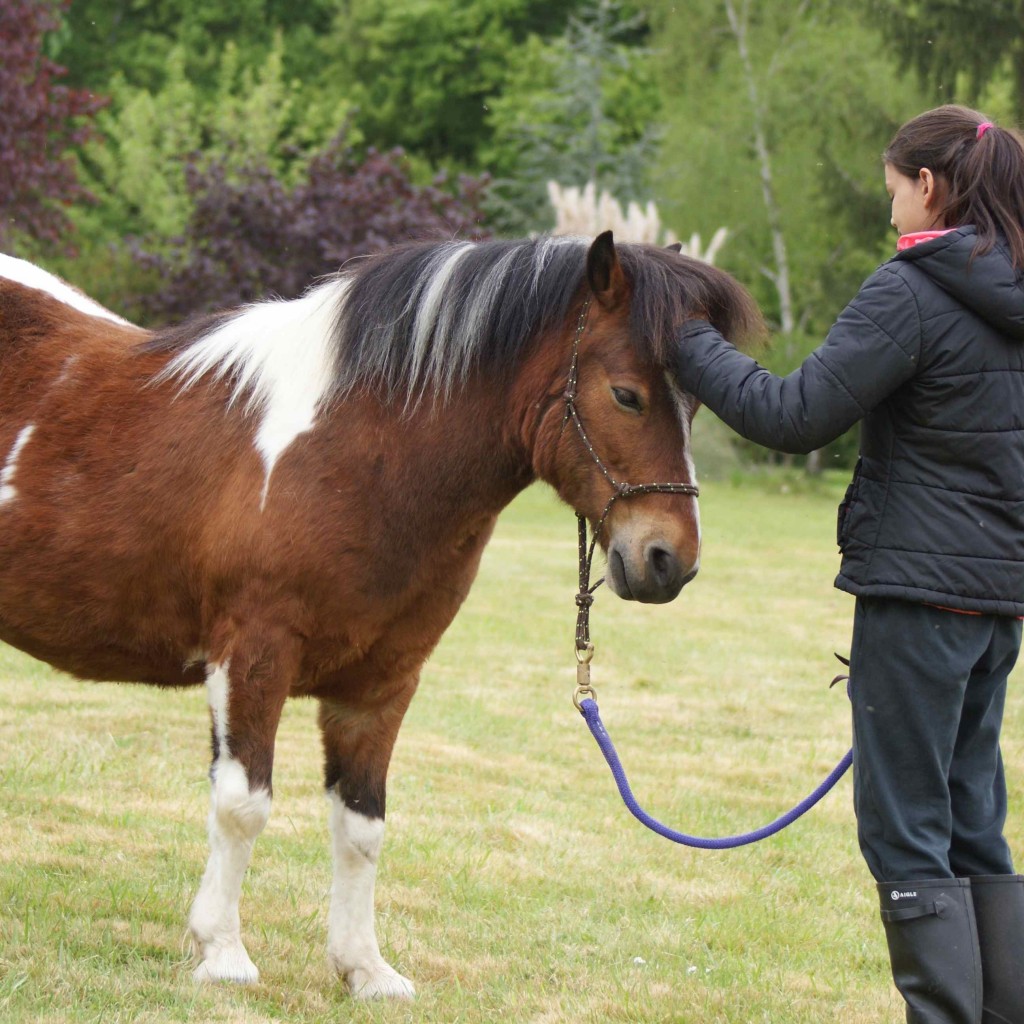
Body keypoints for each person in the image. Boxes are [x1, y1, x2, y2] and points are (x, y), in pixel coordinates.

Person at [672, 105, 1024, 1024]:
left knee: (907, 831)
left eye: (895, 190)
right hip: (996, 609)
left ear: (931, 187)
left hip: (919, 601)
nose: (892, 210)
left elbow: (793, 417)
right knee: (972, 825)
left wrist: (685, 339)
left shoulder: (912, 292)